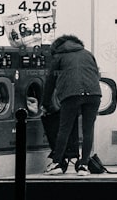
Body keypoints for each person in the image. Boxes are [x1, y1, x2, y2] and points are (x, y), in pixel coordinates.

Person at [43, 33, 102, 177]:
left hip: (71, 94)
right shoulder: (88, 54)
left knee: (64, 129)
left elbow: (50, 81)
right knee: (88, 130)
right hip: (93, 93)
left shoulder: (59, 56)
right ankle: (83, 165)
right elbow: (97, 74)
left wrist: (45, 103)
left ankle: (57, 163)